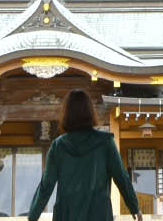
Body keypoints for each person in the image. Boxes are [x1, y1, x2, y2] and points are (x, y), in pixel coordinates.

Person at [26, 90, 141, 221]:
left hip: (66, 214)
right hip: (98, 214)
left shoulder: (58, 146)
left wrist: (33, 215)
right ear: (90, 112)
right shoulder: (105, 143)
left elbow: (46, 185)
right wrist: (134, 208)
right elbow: (121, 177)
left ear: (66, 114)